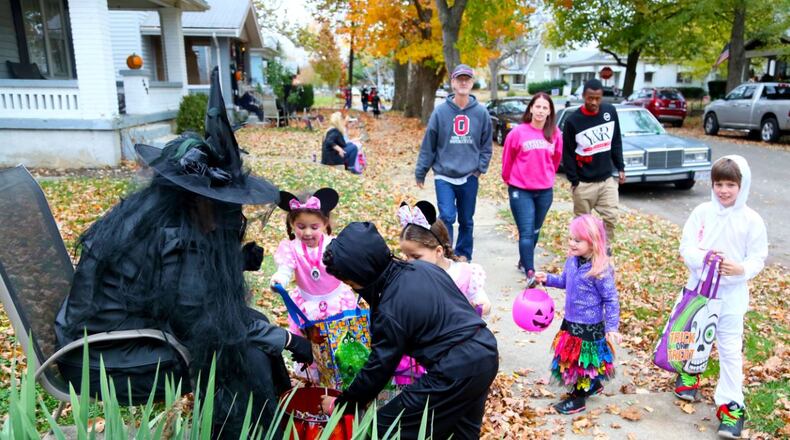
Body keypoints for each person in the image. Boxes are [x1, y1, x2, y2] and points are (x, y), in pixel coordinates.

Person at [53, 67, 313, 438]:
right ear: (193, 198)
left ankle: (269, 426)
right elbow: (207, 319)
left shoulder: (161, 217)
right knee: (239, 355)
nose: (230, 216)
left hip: (115, 329)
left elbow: (163, 282)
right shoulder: (171, 236)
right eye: (221, 205)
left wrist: (236, 262)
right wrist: (288, 340)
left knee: (252, 329)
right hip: (102, 357)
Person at [319, 222, 499, 439]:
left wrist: (341, 405)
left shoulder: (389, 308)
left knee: (383, 429)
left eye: (349, 282)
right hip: (486, 352)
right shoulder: (423, 268)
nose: (352, 287)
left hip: (453, 369)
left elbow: (378, 369)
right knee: (462, 433)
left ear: (361, 274)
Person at [673, 156, 767, 439]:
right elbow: (687, 246)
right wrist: (703, 259)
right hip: (699, 289)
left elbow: (758, 257)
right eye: (718, 184)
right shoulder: (702, 212)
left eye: (730, 185)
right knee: (689, 334)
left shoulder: (751, 220)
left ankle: (730, 406)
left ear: (742, 186)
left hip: (731, 296)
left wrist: (741, 269)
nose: (723, 190)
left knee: (728, 348)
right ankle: (687, 373)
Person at [534, 214, 620, 415]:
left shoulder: (600, 270)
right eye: (570, 238)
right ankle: (593, 384)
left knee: (580, 362)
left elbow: (611, 300)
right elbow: (565, 281)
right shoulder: (572, 260)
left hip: (589, 326)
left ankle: (578, 399)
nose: (571, 243)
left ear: (593, 243)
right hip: (571, 320)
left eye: (577, 240)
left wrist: (612, 327)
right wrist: (547, 279)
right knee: (573, 359)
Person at [270, 187, 358, 382]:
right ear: (292, 224)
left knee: (339, 340)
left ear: (325, 223)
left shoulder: (333, 245)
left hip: (336, 302)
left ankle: (342, 376)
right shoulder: (291, 248)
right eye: (301, 226)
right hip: (307, 306)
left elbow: (347, 267)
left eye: (314, 227)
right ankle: (316, 379)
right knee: (312, 343)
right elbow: (285, 269)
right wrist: (279, 279)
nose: (307, 232)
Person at [415, 64, 493, 261]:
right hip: (444, 175)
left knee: (466, 219)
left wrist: (480, 168)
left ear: (472, 83)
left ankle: (464, 253)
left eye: (467, 79)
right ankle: (448, 253)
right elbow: (429, 144)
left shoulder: (481, 113)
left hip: (469, 175)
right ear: (453, 83)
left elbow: (486, 144)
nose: (463, 82)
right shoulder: (440, 112)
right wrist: (421, 171)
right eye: (460, 79)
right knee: (447, 216)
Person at [501, 92, 563, 278]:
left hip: (544, 191)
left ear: (550, 111)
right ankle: (530, 272)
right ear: (531, 108)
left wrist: (548, 176)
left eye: (545, 107)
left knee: (535, 230)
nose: (541, 111)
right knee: (526, 231)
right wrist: (509, 181)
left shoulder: (555, 134)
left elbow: (556, 159)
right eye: (538, 106)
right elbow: (508, 159)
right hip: (521, 190)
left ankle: (524, 260)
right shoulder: (518, 133)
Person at [398, 201, 491, 315]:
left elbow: (483, 302)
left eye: (416, 256)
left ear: (438, 251)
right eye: (406, 256)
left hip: (462, 330)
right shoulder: (411, 277)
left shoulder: (465, 274)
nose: (410, 261)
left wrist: (481, 306)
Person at [562, 78, 625, 247]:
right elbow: (567, 153)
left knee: (611, 217)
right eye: (590, 98)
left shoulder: (609, 112)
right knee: (583, 225)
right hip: (583, 183)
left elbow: (616, 141)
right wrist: (574, 180)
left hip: (606, 180)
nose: (594, 102)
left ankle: (603, 249)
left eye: (597, 98)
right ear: (583, 96)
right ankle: (584, 255)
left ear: (602, 96)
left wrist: (620, 166)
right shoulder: (573, 121)